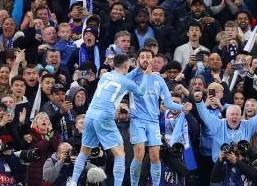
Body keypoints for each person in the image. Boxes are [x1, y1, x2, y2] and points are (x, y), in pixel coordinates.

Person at [69, 54, 152, 186]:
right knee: (120, 154)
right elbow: (141, 91)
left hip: (90, 114)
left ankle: (73, 181)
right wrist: (146, 75)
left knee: (84, 151)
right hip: (104, 116)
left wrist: (138, 69)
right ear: (126, 66)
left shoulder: (106, 75)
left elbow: (123, 81)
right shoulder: (126, 81)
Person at [126, 49, 192, 186]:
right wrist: (139, 70)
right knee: (139, 153)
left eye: (148, 57)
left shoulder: (158, 80)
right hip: (137, 120)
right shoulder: (132, 76)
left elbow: (167, 102)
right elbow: (122, 82)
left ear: (153, 60)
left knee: (155, 156)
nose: (145, 59)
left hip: (153, 122)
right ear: (138, 59)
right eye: (142, 57)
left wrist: (182, 107)